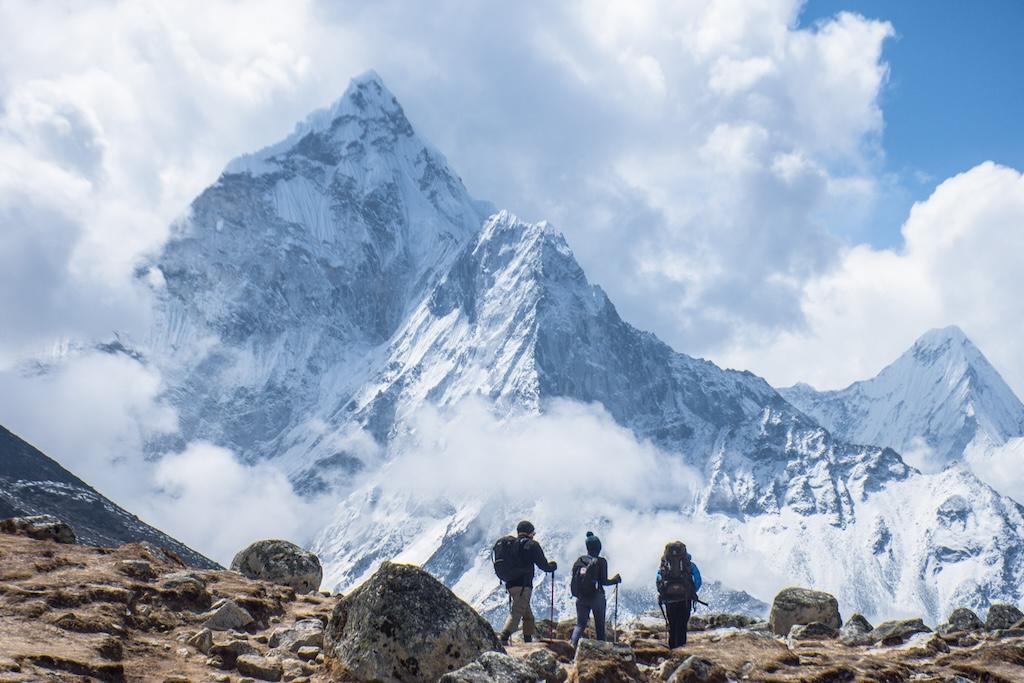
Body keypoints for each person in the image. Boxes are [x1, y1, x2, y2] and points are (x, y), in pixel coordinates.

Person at [498, 520, 557, 645]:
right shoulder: (531, 545)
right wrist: (552, 566)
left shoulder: (511, 545)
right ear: (530, 533)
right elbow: (543, 565)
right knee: (517, 612)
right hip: (523, 586)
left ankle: (528, 642)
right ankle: (503, 638)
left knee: (528, 616)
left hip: (510, 584)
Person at [570, 531, 621, 647]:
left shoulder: (579, 561)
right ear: (599, 547)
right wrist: (615, 580)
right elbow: (604, 581)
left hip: (581, 597)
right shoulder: (601, 561)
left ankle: (572, 646)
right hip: (597, 597)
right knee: (599, 626)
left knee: (580, 624)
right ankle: (601, 651)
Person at [655, 541, 702, 648]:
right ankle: (681, 651)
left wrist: (663, 593)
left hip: (669, 600)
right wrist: (692, 591)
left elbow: (658, 580)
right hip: (685, 599)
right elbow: (698, 580)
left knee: (672, 625)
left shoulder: (664, 564)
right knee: (682, 626)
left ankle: (672, 651)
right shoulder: (689, 564)